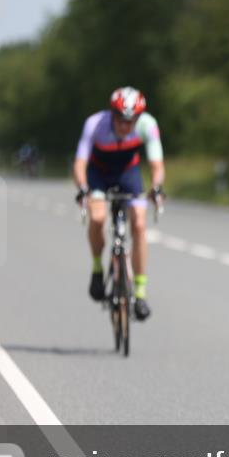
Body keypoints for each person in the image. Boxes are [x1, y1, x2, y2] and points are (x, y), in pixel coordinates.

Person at [73, 87, 165, 321]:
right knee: (97, 217)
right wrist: (83, 189)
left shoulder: (147, 124)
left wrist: (156, 187)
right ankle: (97, 268)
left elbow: (157, 165)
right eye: (121, 120)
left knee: (140, 225)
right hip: (99, 174)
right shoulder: (95, 124)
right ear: (112, 114)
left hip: (127, 173)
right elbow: (80, 163)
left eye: (131, 121)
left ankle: (141, 294)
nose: (126, 126)